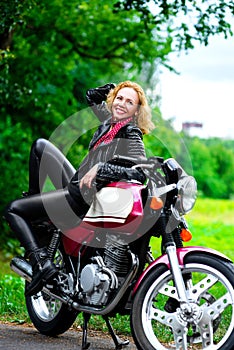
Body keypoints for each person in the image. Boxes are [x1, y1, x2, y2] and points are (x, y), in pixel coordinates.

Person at [4, 80, 155, 296]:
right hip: (78, 184)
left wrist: (101, 169)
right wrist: (112, 89)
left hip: (82, 199)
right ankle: (41, 222)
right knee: (40, 146)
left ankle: (41, 264)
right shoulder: (110, 122)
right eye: (119, 98)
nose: (122, 104)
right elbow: (91, 97)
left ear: (137, 111)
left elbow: (140, 172)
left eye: (129, 102)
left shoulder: (130, 132)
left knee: (13, 209)